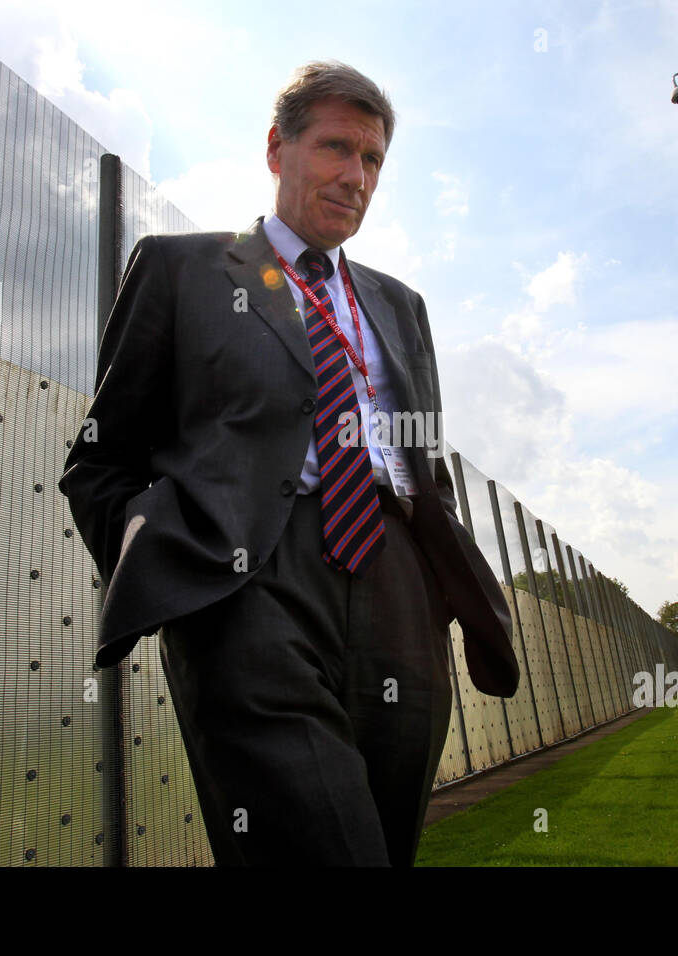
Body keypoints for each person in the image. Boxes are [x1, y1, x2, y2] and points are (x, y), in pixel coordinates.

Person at [59, 60, 518, 867]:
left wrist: (436, 581)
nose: (356, 176)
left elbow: (425, 462)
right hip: (248, 579)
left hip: (400, 584)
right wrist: (175, 577)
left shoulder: (401, 305)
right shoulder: (183, 270)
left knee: (383, 840)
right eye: (337, 148)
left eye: (373, 160)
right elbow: (101, 460)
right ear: (279, 149)